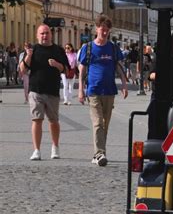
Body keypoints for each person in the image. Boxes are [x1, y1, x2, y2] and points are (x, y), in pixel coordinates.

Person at [78, 14, 128, 167]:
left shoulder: (113, 48)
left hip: (109, 91)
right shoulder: (88, 48)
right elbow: (82, 70)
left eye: (107, 30)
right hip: (93, 90)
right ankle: (100, 154)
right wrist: (81, 89)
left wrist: (124, 84)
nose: (104, 33)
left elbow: (119, 67)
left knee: (105, 124)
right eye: (102, 30)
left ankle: (99, 153)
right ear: (97, 29)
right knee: (98, 123)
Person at [19, 25, 69, 161]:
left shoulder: (58, 50)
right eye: (42, 34)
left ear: (50, 34)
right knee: (37, 120)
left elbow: (67, 70)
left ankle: (55, 147)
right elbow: (23, 70)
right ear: (37, 35)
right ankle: (36, 150)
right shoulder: (32, 49)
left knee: (53, 121)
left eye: (46, 33)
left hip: (52, 90)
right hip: (36, 90)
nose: (44, 36)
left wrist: (57, 65)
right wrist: (28, 56)